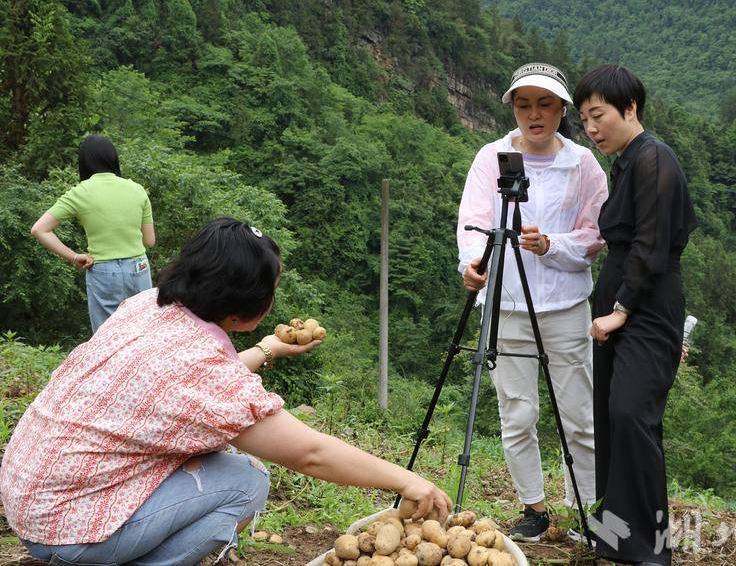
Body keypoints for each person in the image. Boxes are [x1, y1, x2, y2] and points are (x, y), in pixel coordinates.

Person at [0, 218, 451, 566]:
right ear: (248, 306)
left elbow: (186, 385)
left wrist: (265, 350)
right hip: (69, 530)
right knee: (245, 479)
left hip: (32, 500)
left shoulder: (146, 305)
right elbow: (309, 453)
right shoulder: (205, 368)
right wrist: (407, 479)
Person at [457, 62, 608, 541]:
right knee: (517, 412)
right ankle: (534, 509)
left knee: (579, 415)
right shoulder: (491, 155)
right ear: (513, 108)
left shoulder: (583, 164)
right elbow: (473, 220)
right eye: (523, 104)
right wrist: (472, 263)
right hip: (506, 304)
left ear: (563, 109)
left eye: (545, 103)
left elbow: (596, 233)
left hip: (564, 306)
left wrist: (552, 245)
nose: (534, 114)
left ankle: (586, 510)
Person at [574, 64, 698, 566]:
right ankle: (617, 537)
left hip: (645, 306)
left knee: (631, 414)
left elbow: (652, 247)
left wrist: (621, 310)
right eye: (583, 119)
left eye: (598, 115)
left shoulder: (654, 160)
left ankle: (649, 550)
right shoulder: (625, 161)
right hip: (620, 298)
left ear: (631, 109)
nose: (591, 128)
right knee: (612, 417)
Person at [30, 135, 156, 334]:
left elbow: (39, 229)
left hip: (103, 271)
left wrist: (74, 257)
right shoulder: (137, 189)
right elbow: (149, 241)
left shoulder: (79, 193)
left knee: (106, 337)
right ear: (113, 158)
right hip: (138, 267)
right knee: (142, 333)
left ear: (84, 162)